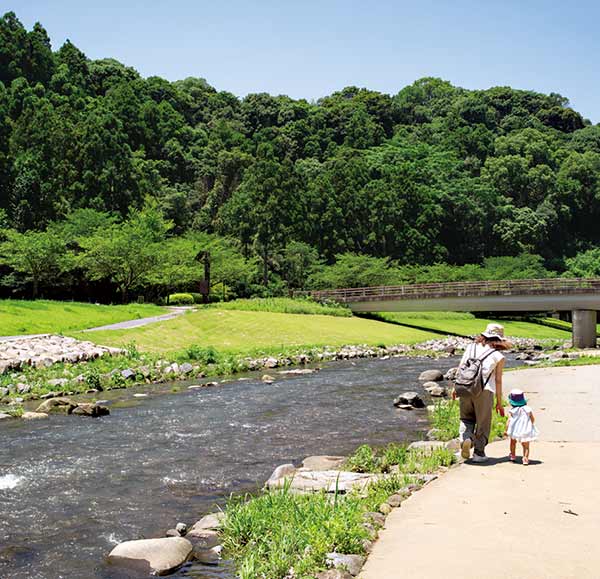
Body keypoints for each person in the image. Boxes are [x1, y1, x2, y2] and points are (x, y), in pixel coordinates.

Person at [455, 323, 509, 463]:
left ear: (484, 335)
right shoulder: (498, 356)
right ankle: (479, 453)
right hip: (484, 391)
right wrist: (499, 402)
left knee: (466, 418)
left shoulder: (470, 347)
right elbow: (498, 380)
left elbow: (461, 367)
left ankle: (466, 438)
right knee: (483, 422)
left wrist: (455, 388)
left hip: (465, 387)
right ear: (499, 339)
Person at [505, 388, 538, 465]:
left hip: (515, 430)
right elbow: (532, 419)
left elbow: (508, 421)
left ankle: (512, 455)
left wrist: (506, 430)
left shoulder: (512, 411)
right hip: (525, 430)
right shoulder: (528, 409)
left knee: (513, 442)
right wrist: (530, 425)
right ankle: (525, 458)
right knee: (526, 445)